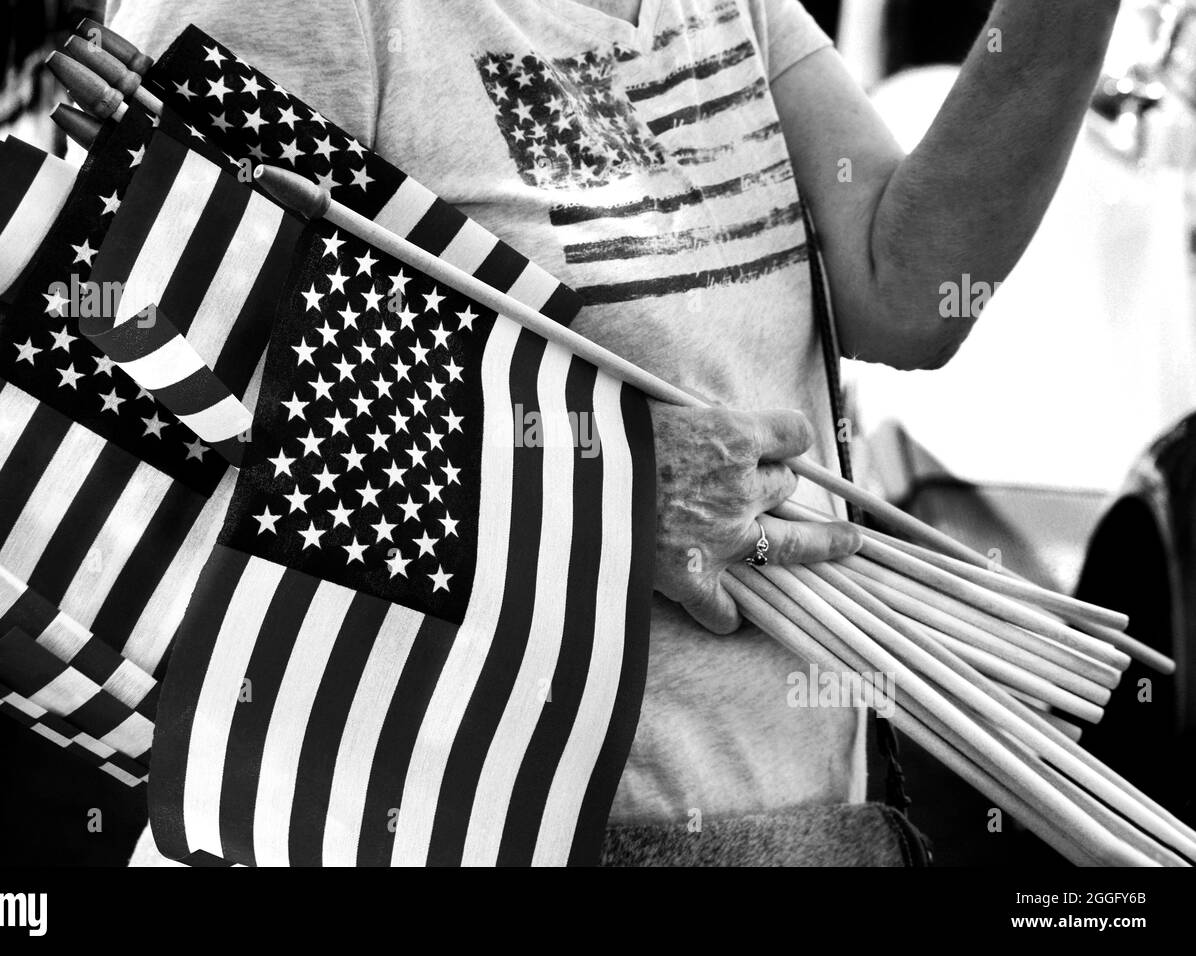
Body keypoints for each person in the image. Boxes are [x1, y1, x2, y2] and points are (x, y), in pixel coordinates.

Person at [111, 0, 1123, 863]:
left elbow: (906, 291)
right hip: (466, 830)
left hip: (805, 827)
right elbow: (145, 367)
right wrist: (596, 484)